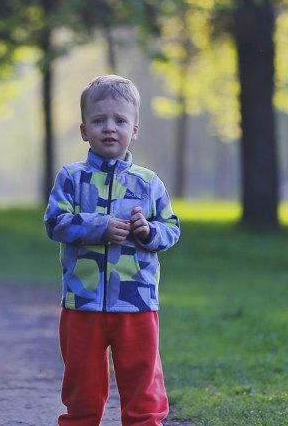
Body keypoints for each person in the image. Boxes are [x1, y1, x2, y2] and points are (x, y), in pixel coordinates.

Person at [44, 75, 181, 426]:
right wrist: (99, 227)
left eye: (120, 120)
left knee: (142, 386)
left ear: (134, 130)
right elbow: (55, 222)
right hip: (83, 302)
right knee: (82, 388)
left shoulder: (148, 183)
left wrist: (148, 231)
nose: (109, 128)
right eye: (99, 120)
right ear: (83, 129)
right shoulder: (71, 178)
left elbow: (171, 228)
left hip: (136, 302)